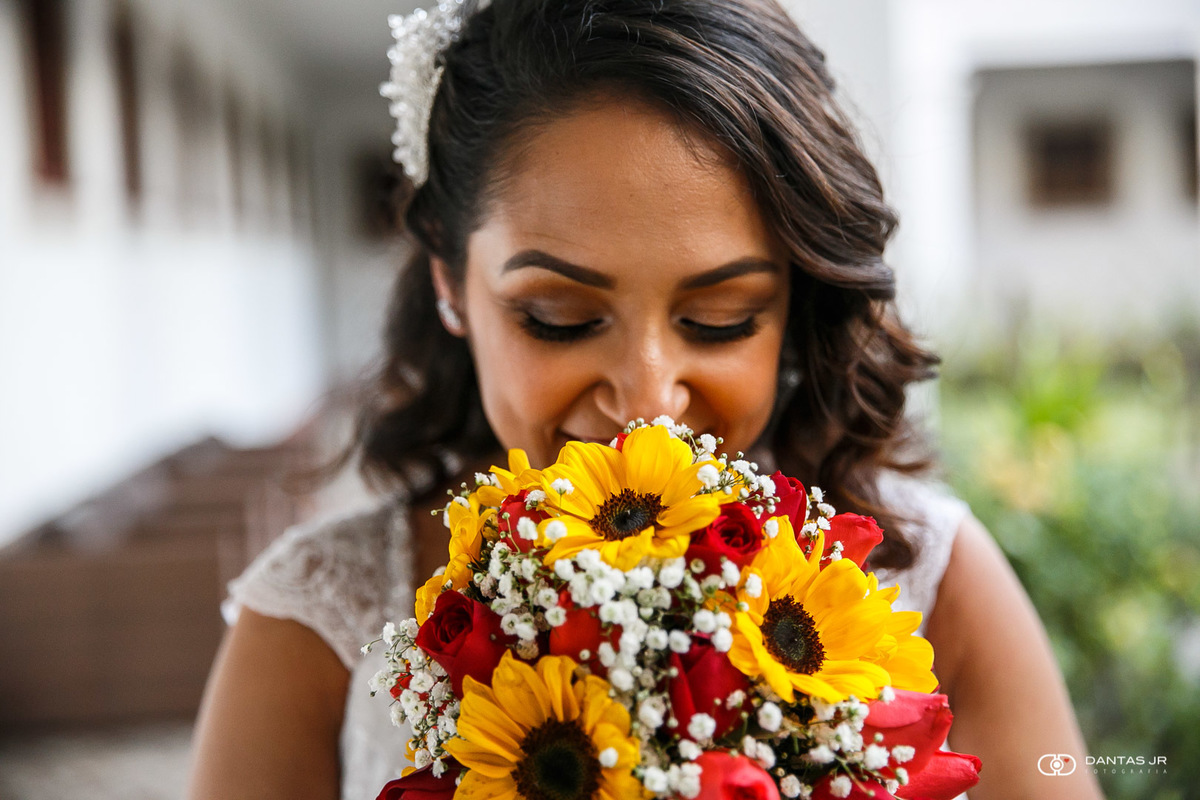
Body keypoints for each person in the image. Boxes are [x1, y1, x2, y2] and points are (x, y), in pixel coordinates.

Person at [187, 1, 1104, 798]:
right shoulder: (312, 627)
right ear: (450, 286)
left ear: (796, 303)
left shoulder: (929, 578)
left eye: (721, 317)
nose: (651, 402)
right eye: (558, 317)